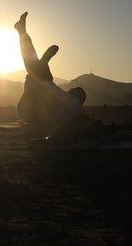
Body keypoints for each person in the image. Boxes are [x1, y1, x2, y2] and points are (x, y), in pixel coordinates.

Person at [14, 12, 93, 148]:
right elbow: (47, 91)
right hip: (28, 110)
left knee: (39, 73)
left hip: (32, 112)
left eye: (74, 91)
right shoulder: (69, 106)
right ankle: (24, 35)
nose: (70, 91)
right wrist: (34, 82)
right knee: (35, 69)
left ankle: (39, 58)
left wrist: (40, 81)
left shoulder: (74, 105)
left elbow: (54, 90)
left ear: (79, 97)